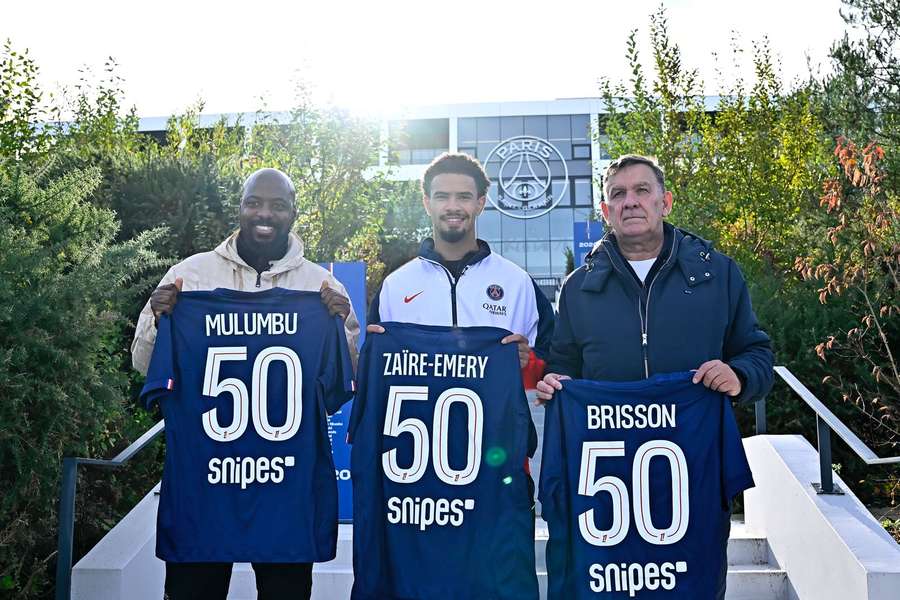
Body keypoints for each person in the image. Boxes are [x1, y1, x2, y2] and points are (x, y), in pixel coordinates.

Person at [535, 154, 773, 600]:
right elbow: (562, 365)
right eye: (618, 195)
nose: (630, 202)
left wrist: (738, 375)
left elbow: (756, 352)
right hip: (606, 486)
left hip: (692, 477)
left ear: (665, 201)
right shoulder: (578, 288)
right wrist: (554, 384)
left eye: (642, 191)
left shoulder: (716, 274)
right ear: (605, 211)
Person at [131, 167, 360, 600]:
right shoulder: (190, 275)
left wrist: (340, 325)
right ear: (240, 206)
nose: (264, 213)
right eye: (254, 202)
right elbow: (146, 366)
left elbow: (337, 389)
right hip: (206, 481)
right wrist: (159, 321)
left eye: (277, 205)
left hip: (286, 486)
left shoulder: (320, 286)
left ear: (294, 212)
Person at [367, 152, 554, 370]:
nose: (452, 206)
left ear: (480, 204)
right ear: (427, 204)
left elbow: (554, 362)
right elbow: (374, 369)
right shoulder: (395, 286)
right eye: (442, 196)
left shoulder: (518, 282)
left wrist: (528, 361)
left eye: (464, 197)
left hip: (496, 404)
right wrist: (375, 355)